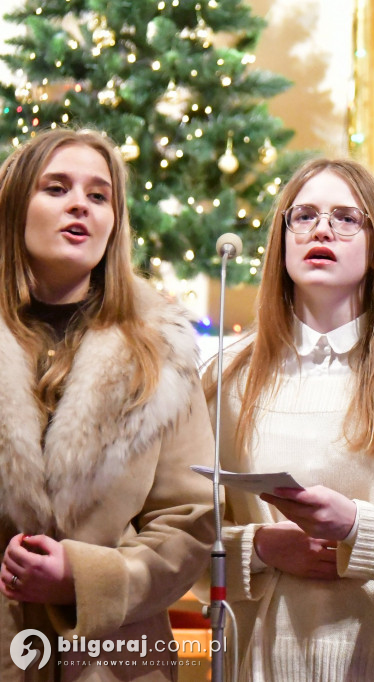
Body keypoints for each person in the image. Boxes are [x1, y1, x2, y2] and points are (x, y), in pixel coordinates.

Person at [205, 157, 374, 681]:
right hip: (258, 663)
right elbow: (185, 541)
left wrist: (356, 527)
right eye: (303, 216)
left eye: (346, 218)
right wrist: (261, 547)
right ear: (281, 242)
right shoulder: (226, 377)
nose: (321, 228)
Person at [0, 128, 216, 680]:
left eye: (99, 196)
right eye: (56, 188)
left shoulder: (159, 350)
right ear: (13, 204)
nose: (81, 204)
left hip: (114, 658)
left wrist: (86, 577)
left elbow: (189, 522)